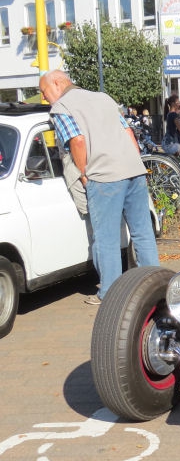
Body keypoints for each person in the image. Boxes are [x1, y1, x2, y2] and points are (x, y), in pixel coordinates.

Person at [39, 70, 159, 305]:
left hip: (104, 176)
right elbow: (127, 131)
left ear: (57, 82)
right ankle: (155, 285)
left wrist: (85, 174)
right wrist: (133, 161)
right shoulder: (103, 98)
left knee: (106, 239)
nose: (45, 98)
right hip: (133, 171)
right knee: (142, 232)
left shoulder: (62, 107)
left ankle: (110, 294)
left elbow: (78, 140)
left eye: (44, 92)